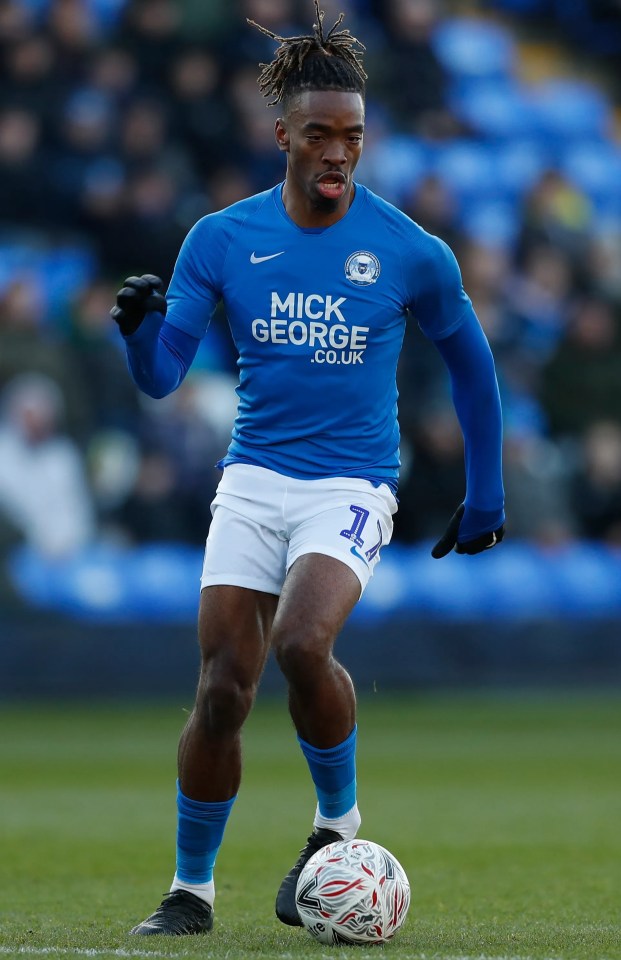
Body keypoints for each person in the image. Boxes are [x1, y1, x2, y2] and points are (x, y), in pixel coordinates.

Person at [110, 0, 505, 936]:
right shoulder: (220, 239)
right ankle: (191, 892)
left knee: (300, 644)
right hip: (252, 479)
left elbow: (473, 366)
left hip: (351, 484)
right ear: (281, 133)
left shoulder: (410, 249)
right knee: (220, 688)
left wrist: (486, 494)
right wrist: (133, 334)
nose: (338, 154)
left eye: (354, 137)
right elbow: (163, 378)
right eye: (320, 135)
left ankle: (336, 826)